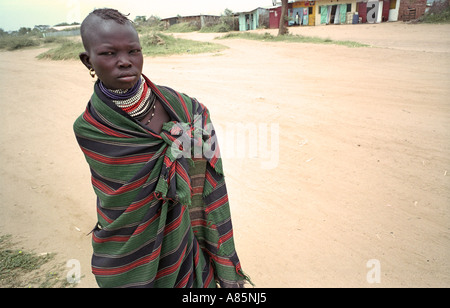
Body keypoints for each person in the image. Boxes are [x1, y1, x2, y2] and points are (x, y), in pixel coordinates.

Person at [73, 8, 251, 288]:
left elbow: (208, 187)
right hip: (129, 252)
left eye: (133, 51)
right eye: (109, 53)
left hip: (184, 242)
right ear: (88, 61)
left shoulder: (188, 109)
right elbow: (117, 200)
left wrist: (224, 262)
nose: (125, 62)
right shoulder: (90, 128)